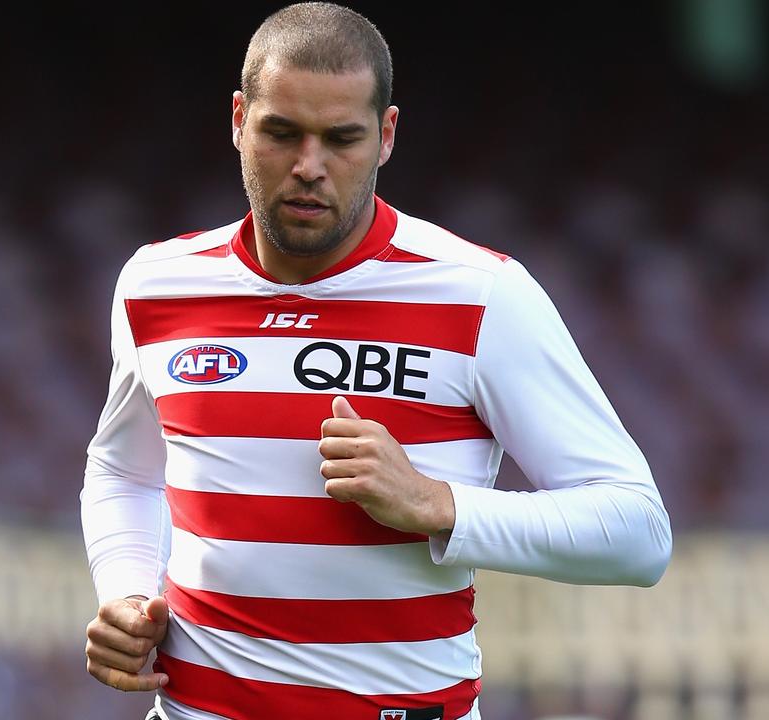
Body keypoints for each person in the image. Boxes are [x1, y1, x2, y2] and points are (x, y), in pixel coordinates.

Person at [80, 4, 672, 719]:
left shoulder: (481, 294)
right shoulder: (157, 284)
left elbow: (639, 534)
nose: (308, 166)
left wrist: (438, 505)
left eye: (342, 139)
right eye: (281, 132)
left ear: (386, 136)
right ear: (239, 120)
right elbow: (122, 471)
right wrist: (124, 589)